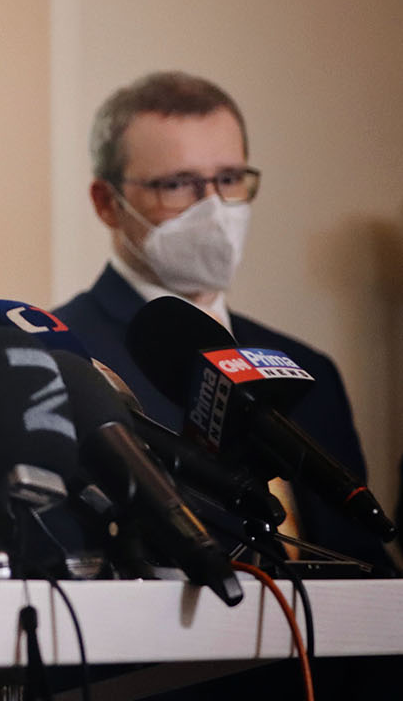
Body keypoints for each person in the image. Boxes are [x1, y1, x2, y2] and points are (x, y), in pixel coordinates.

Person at [53, 71, 392, 572]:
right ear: (107, 203)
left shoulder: (307, 368)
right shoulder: (62, 359)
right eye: (177, 184)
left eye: (229, 179)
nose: (213, 208)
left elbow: (364, 563)